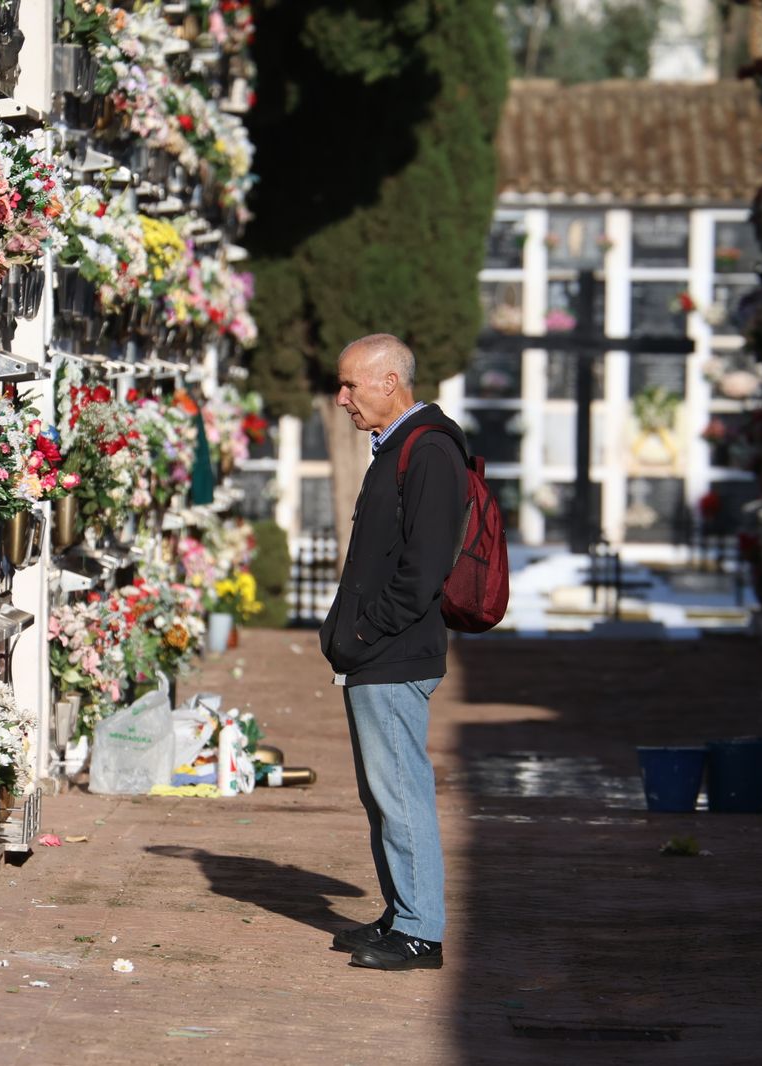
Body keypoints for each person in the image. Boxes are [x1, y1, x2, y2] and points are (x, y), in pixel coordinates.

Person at [319, 333, 467, 971]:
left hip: (393, 652)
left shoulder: (429, 450)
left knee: (401, 790)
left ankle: (420, 931)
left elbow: (423, 567)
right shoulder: (402, 447)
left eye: (352, 384)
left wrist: (362, 632)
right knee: (383, 792)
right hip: (378, 652)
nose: (342, 398)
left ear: (389, 383)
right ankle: (401, 912)